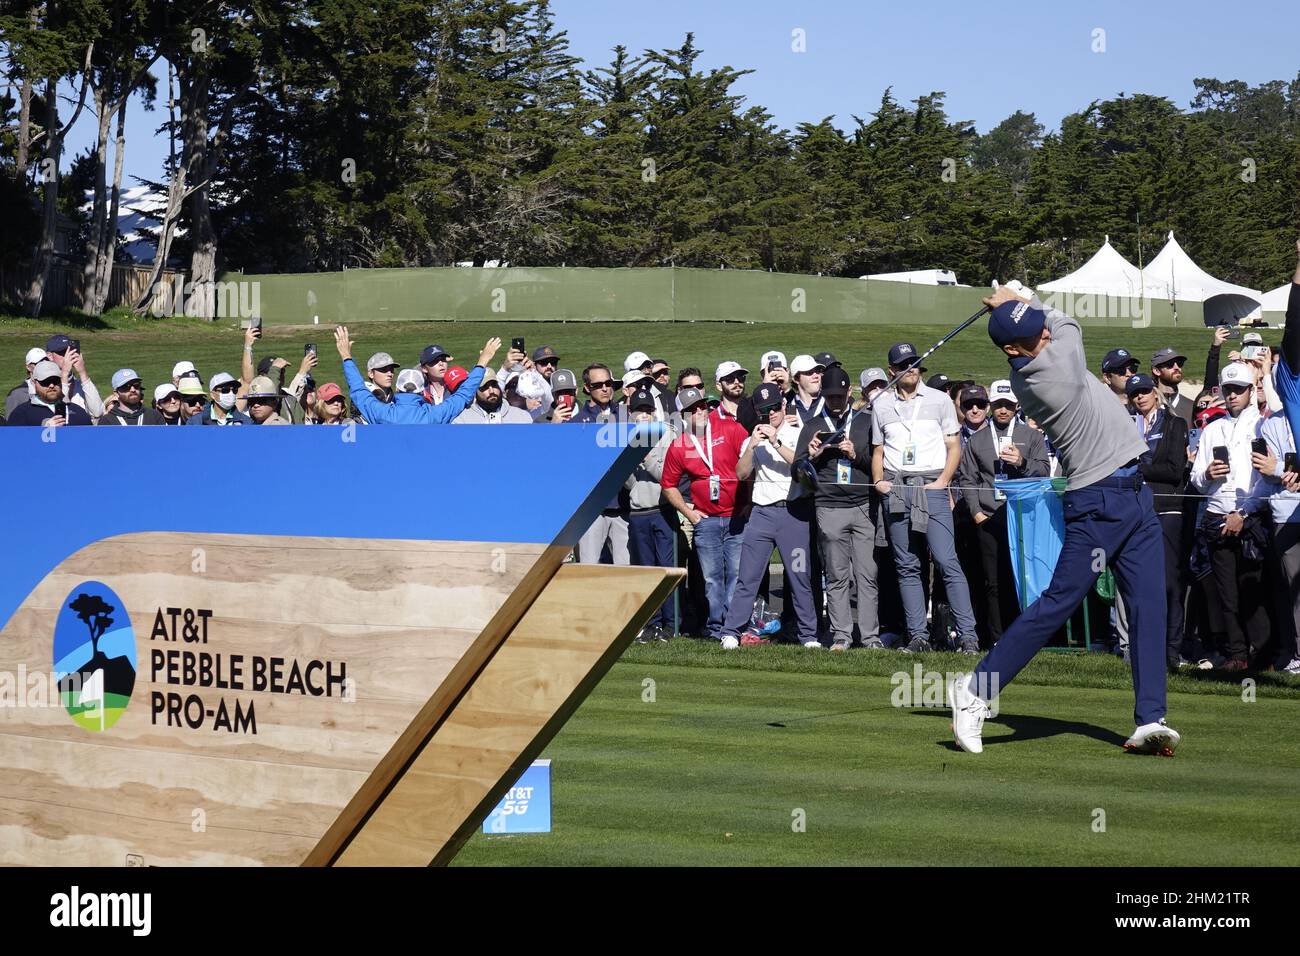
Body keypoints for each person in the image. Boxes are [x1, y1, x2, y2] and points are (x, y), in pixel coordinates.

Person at [948, 286, 1178, 757]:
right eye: (1035, 335)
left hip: (1135, 496)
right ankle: (974, 691)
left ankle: (1150, 718)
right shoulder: (1052, 369)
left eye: (1040, 330)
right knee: (1057, 603)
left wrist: (1014, 304)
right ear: (1015, 351)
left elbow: (1042, 322)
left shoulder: (1039, 352)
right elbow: (1065, 319)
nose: (1045, 332)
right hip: (1097, 502)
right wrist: (1020, 297)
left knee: (1151, 606)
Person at [871, 342, 978, 654]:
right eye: (904, 364)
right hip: (898, 487)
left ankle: (969, 637)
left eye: (915, 363)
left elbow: (954, 446)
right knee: (907, 564)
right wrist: (879, 480)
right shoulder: (882, 405)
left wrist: (943, 481)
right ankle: (918, 636)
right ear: (892, 370)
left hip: (931, 485)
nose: (911, 368)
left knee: (947, 561)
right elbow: (878, 450)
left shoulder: (939, 400)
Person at [715, 383, 819, 649]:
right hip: (761, 514)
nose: (770, 415)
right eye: (764, 411)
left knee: (799, 575)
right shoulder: (755, 436)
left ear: (783, 406)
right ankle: (731, 631)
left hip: (792, 513)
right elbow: (740, 473)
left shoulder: (797, 433)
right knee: (747, 576)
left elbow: (801, 465)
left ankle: (808, 635)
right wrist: (752, 445)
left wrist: (775, 440)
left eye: (774, 408)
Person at [957, 379, 1050, 648]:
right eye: (998, 405)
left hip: (1023, 518)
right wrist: (976, 512)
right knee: (992, 581)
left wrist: (1021, 462)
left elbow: (1044, 470)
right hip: (988, 516)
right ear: (990, 407)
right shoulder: (977, 440)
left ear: (1016, 405)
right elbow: (968, 478)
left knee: (1022, 577)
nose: (1002, 410)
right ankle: (996, 638)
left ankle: (1024, 635)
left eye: (1008, 405)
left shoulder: (1031, 436)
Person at [1190, 362, 1270, 670]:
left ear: (1251, 391)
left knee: (1253, 589)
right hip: (1216, 516)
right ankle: (1238, 655)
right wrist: (1208, 473)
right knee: (1226, 592)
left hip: (1251, 517)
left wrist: (1244, 512)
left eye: (1239, 389)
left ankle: (1262, 655)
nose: (1233, 395)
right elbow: (1197, 480)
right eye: (1229, 390)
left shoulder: (1262, 425)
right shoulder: (1212, 429)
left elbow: (1267, 480)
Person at [793, 369, 881, 651]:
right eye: (829, 396)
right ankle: (841, 635)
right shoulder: (813, 425)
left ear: (849, 395)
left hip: (864, 505)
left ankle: (869, 637)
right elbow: (797, 471)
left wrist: (855, 454)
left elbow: (877, 464)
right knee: (836, 574)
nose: (834, 401)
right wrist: (811, 455)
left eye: (839, 396)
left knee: (867, 574)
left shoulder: (866, 422)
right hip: (828, 506)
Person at [660, 385, 749, 641]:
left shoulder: (729, 429)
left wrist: (750, 502)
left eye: (700, 406)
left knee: (736, 574)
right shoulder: (679, 446)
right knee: (712, 579)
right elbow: (668, 485)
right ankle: (716, 627)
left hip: (736, 517)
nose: (698, 412)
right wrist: (689, 512)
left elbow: (751, 460)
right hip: (706, 520)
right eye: (691, 409)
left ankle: (734, 626)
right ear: (682, 415)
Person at [1126, 373, 1191, 670]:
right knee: (1142, 584)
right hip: (1136, 511)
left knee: (1169, 583)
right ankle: (1145, 649)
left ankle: (1171, 652)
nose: (1139, 397)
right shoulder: (1128, 426)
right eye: (1133, 393)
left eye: (1143, 391)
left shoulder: (1174, 423)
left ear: (1155, 393)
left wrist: (1140, 469)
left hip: (1167, 509)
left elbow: (1175, 469)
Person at [337, 328, 495, 424]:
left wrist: (346, 356)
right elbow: (464, 394)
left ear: (397, 389)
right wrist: (482, 362)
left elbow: (358, 390)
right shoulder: (433, 415)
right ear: (421, 392)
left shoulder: (382, 413)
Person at [624, 386, 677, 641]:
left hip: (662, 509)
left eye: (648, 410)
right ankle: (651, 623)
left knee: (667, 569)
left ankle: (671, 623)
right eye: (639, 411)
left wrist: (644, 457)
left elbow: (666, 475)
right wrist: (634, 485)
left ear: (654, 412)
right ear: (631, 413)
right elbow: (624, 479)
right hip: (638, 511)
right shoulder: (627, 435)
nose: (644, 415)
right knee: (646, 570)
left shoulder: (665, 433)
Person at [6, 359, 93, 426]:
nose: (51, 385)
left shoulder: (78, 411)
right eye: (45, 381)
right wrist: (44, 431)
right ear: (34, 382)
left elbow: (91, 443)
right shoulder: (21, 414)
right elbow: (14, 445)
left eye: (55, 380)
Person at [45, 335, 104, 419]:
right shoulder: (44, 385)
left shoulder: (82, 384)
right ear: (50, 356)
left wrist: (82, 372)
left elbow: (98, 412)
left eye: (71, 351)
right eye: (63, 352)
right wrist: (64, 373)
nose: (68, 356)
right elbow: (60, 411)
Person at [453, 369, 532, 424]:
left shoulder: (522, 416)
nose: (491, 391)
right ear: (475, 392)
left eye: (494, 385)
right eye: (485, 387)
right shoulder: (462, 420)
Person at [98, 369, 165, 425]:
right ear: (116, 393)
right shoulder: (107, 421)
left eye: (136, 385)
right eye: (126, 387)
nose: (133, 390)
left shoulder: (154, 416)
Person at [185, 372, 252, 426]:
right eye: (225, 390)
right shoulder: (195, 422)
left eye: (234, 390)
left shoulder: (246, 422)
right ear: (213, 395)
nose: (231, 393)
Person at [1150, 348, 1193, 427]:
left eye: (1180, 363)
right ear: (1156, 371)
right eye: (1170, 364)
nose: (1176, 367)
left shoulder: (1192, 406)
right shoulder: (1147, 404)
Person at [4, 347, 49, 418]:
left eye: (46, 362)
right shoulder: (17, 394)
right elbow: (10, 425)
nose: (44, 366)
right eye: (39, 363)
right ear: (28, 367)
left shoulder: (55, 389)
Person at [713, 360, 758, 431]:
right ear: (719, 386)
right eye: (730, 378)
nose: (737, 382)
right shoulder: (712, 419)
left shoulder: (756, 410)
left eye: (741, 377)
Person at [787, 355, 825, 422]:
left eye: (818, 371)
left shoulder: (830, 403)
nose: (816, 376)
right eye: (809, 372)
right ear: (796, 379)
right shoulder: (787, 408)